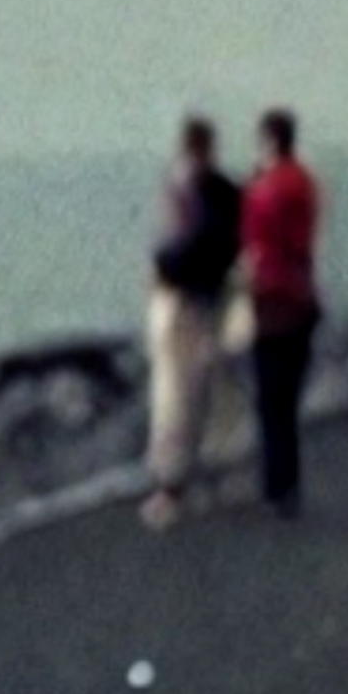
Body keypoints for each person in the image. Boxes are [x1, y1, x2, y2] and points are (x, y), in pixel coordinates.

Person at [137, 115, 244, 530]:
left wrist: (164, 264)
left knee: (175, 395)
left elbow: (195, 241)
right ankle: (219, 475)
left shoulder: (197, 187)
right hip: (212, 298)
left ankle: (172, 488)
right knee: (212, 393)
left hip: (185, 299)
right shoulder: (224, 188)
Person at [237, 107, 320, 516]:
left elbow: (253, 238)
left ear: (269, 139)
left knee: (271, 400)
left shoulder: (267, 188)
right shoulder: (304, 181)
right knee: (287, 400)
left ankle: (276, 488)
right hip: (301, 296)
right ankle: (288, 484)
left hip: (272, 300)